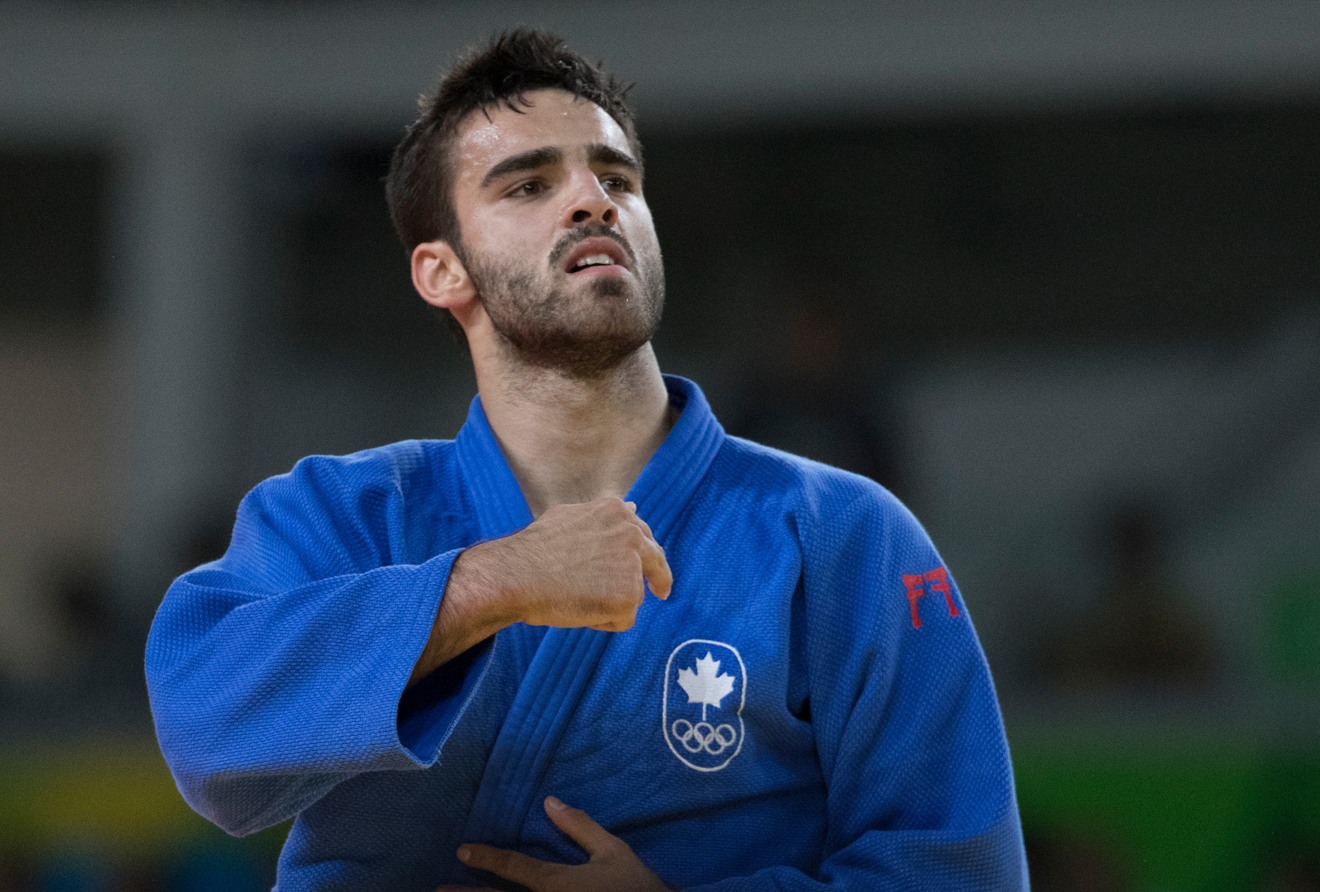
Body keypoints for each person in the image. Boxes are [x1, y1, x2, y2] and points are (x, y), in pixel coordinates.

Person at [145, 30, 1027, 892]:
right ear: (442, 272)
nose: (592, 201)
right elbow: (202, 719)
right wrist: (493, 583)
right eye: (528, 184)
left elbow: (961, 870)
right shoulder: (345, 514)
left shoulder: (842, 538)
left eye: (615, 178)